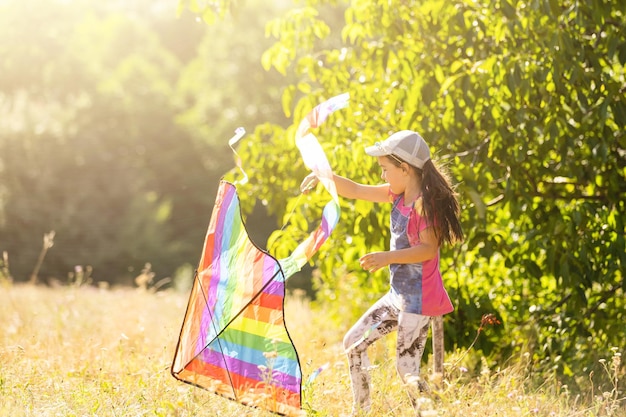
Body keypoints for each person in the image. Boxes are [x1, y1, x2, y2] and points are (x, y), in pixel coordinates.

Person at [300, 130, 463, 414]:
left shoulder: (422, 205)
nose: (384, 176)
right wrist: (325, 176)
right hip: (398, 296)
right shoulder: (397, 195)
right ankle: (362, 410)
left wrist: (387, 257)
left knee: (406, 369)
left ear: (405, 168)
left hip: (419, 301)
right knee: (354, 342)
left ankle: (430, 413)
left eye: (386, 169)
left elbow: (428, 249)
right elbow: (358, 190)